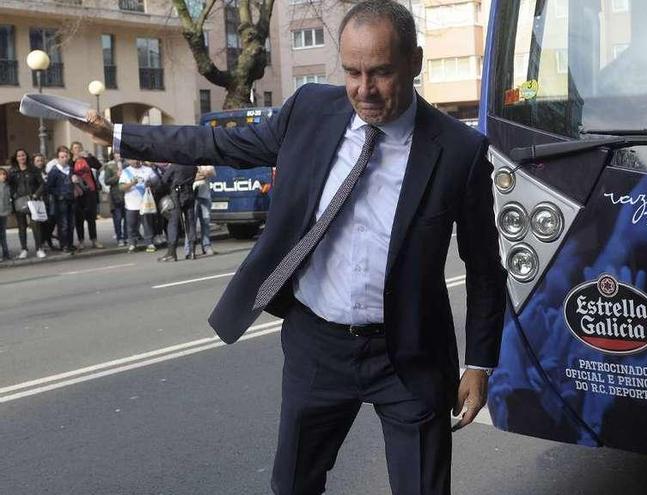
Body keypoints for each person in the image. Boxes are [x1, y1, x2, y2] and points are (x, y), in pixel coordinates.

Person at [74, 1, 506, 493]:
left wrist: (480, 363)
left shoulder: (460, 151)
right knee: (293, 486)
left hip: (410, 355)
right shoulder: (311, 111)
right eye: (352, 72)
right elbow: (219, 145)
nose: (364, 90)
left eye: (381, 72)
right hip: (318, 347)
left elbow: (485, 267)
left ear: (415, 62)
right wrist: (121, 135)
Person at [7, 148, 46, 259]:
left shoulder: (33, 169)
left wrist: (35, 195)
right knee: (21, 226)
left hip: (33, 200)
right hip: (19, 201)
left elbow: (42, 184)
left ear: (26, 156)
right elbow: (9, 186)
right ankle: (24, 249)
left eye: (23, 155)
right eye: (19, 156)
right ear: (16, 158)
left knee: (36, 225)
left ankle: (39, 248)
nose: (21, 158)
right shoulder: (12, 171)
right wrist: (14, 195)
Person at [158, 163, 197, 262]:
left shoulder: (175, 166)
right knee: (190, 222)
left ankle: (172, 253)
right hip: (190, 193)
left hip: (177, 194)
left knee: (173, 222)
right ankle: (192, 251)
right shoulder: (192, 165)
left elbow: (164, 180)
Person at [119, 159, 158, 253]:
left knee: (147, 223)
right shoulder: (126, 172)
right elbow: (121, 187)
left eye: (137, 159)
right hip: (131, 203)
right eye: (133, 160)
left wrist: (151, 183)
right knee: (131, 225)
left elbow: (156, 181)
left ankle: (149, 243)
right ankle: (132, 244)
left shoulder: (148, 170)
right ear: (129, 161)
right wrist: (132, 183)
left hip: (145, 202)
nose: (136, 162)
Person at [70, 141, 104, 250]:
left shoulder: (86, 159)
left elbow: (98, 166)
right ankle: (81, 241)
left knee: (91, 217)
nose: (77, 150)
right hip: (78, 193)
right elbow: (68, 173)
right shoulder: (70, 162)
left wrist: (89, 156)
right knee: (79, 218)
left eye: (79, 147)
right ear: (72, 150)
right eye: (75, 148)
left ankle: (94, 240)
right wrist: (73, 161)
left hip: (90, 190)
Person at [45, 147, 77, 255]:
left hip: (71, 199)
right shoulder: (54, 171)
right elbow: (49, 187)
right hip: (60, 201)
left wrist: (74, 182)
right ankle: (64, 245)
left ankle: (70, 244)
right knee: (63, 224)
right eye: (62, 157)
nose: (64, 159)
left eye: (66, 156)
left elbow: (73, 183)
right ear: (58, 158)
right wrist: (60, 193)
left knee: (71, 223)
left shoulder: (70, 169)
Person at [32, 153, 58, 251]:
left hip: (48, 199)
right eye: (37, 161)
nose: (40, 162)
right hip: (38, 200)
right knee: (41, 223)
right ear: (33, 162)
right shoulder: (33, 173)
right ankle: (42, 243)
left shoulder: (46, 171)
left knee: (50, 221)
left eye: (41, 160)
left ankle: (48, 241)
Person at [187, 164, 216, 256]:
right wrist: (200, 174)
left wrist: (201, 173)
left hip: (205, 195)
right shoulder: (188, 162)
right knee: (191, 223)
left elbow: (211, 172)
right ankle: (189, 249)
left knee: (206, 221)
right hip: (192, 196)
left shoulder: (206, 162)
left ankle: (206, 246)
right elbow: (188, 176)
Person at [101, 152, 128, 246]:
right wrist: (117, 176)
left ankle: (126, 237)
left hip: (127, 195)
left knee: (127, 218)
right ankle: (119, 237)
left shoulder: (127, 165)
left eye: (120, 153)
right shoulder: (110, 166)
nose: (119, 155)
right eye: (117, 153)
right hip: (115, 196)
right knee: (118, 218)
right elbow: (107, 181)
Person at [0, 168, 11, 261]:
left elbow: (8, 200)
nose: (3, 176)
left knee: (3, 234)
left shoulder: (7, 186)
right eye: (1, 174)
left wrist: (9, 210)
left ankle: (6, 253)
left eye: (4, 174)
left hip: (4, 213)